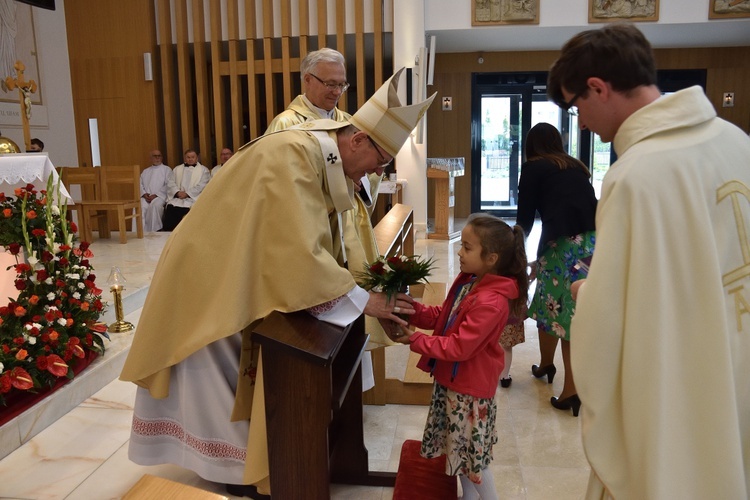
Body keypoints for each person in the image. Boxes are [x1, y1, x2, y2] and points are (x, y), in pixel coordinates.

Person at [119, 69, 436, 498]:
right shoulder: (294, 153)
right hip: (209, 273)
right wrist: (366, 301)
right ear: (357, 140)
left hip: (236, 263)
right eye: (377, 164)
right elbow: (299, 255)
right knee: (214, 360)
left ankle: (253, 463)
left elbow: (321, 234)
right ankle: (230, 469)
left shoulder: (322, 151)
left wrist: (364, 291)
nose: (370, 176)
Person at [548, 23, 750, 499]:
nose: (579, 122)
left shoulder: (637, 174)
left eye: (576, 105)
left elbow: (612, 318)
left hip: (678, 374)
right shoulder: (736, 141)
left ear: (598, 87)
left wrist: (585, 293)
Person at [389, 213, 528, 500]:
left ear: (491, 258)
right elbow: (445, 316)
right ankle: (470, 497)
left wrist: (414, 339)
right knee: (461, 454)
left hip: (469, 393)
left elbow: (458, 348)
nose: (459, 251)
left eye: (467, 247)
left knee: (474, 463)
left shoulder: (491, 302)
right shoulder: (472, 283)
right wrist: (414, 310)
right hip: (455, 384)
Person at [266, 48, 387, 350]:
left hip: (349, 227)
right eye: (330, 83)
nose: (337, 91)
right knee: (317, 314)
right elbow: (276, 182)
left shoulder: (348, 122)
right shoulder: (286, 124)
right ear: (307, 80)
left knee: (354, 307)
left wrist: (362, 182)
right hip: (311, 227)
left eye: (342, 85)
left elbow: (368, 171)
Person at [515, 122, 596, 416]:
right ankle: (546, 364)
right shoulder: (574, 166)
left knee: (564, 316)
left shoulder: (534, 167)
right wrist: (539, 260)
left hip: (561, 246)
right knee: (550, 305)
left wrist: (514, 255)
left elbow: (524, 219)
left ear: (531, 145)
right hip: (590, 243)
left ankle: (571, 391)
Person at [160, 148, 210, 231]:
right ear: (185, 158)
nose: (190, 159)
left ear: (197, 158)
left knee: (191, 209)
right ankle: (170, 232)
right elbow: (171, 183)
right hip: (179, 198)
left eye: (192, 157)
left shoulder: (204, 170)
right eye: (188, 157)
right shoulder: (177, 169)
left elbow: (202, 185)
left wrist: (187, 193)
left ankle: (189, 232)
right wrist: (178, 192)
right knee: (171, 208)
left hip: (193, 198)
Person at [139, 150, 171, 232]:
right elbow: (140, 184)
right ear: (150, 158)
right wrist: (144, 194)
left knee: (155, 206)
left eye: (159, 156)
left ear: (162, 157)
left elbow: (169, 184)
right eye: (155, 156)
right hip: (146, 197)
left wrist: (156, 195)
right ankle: (140, 231)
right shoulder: (146, 171)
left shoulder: (167, 170)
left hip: (160, 197)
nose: (157, 158)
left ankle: (154, 231)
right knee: (140, 207)